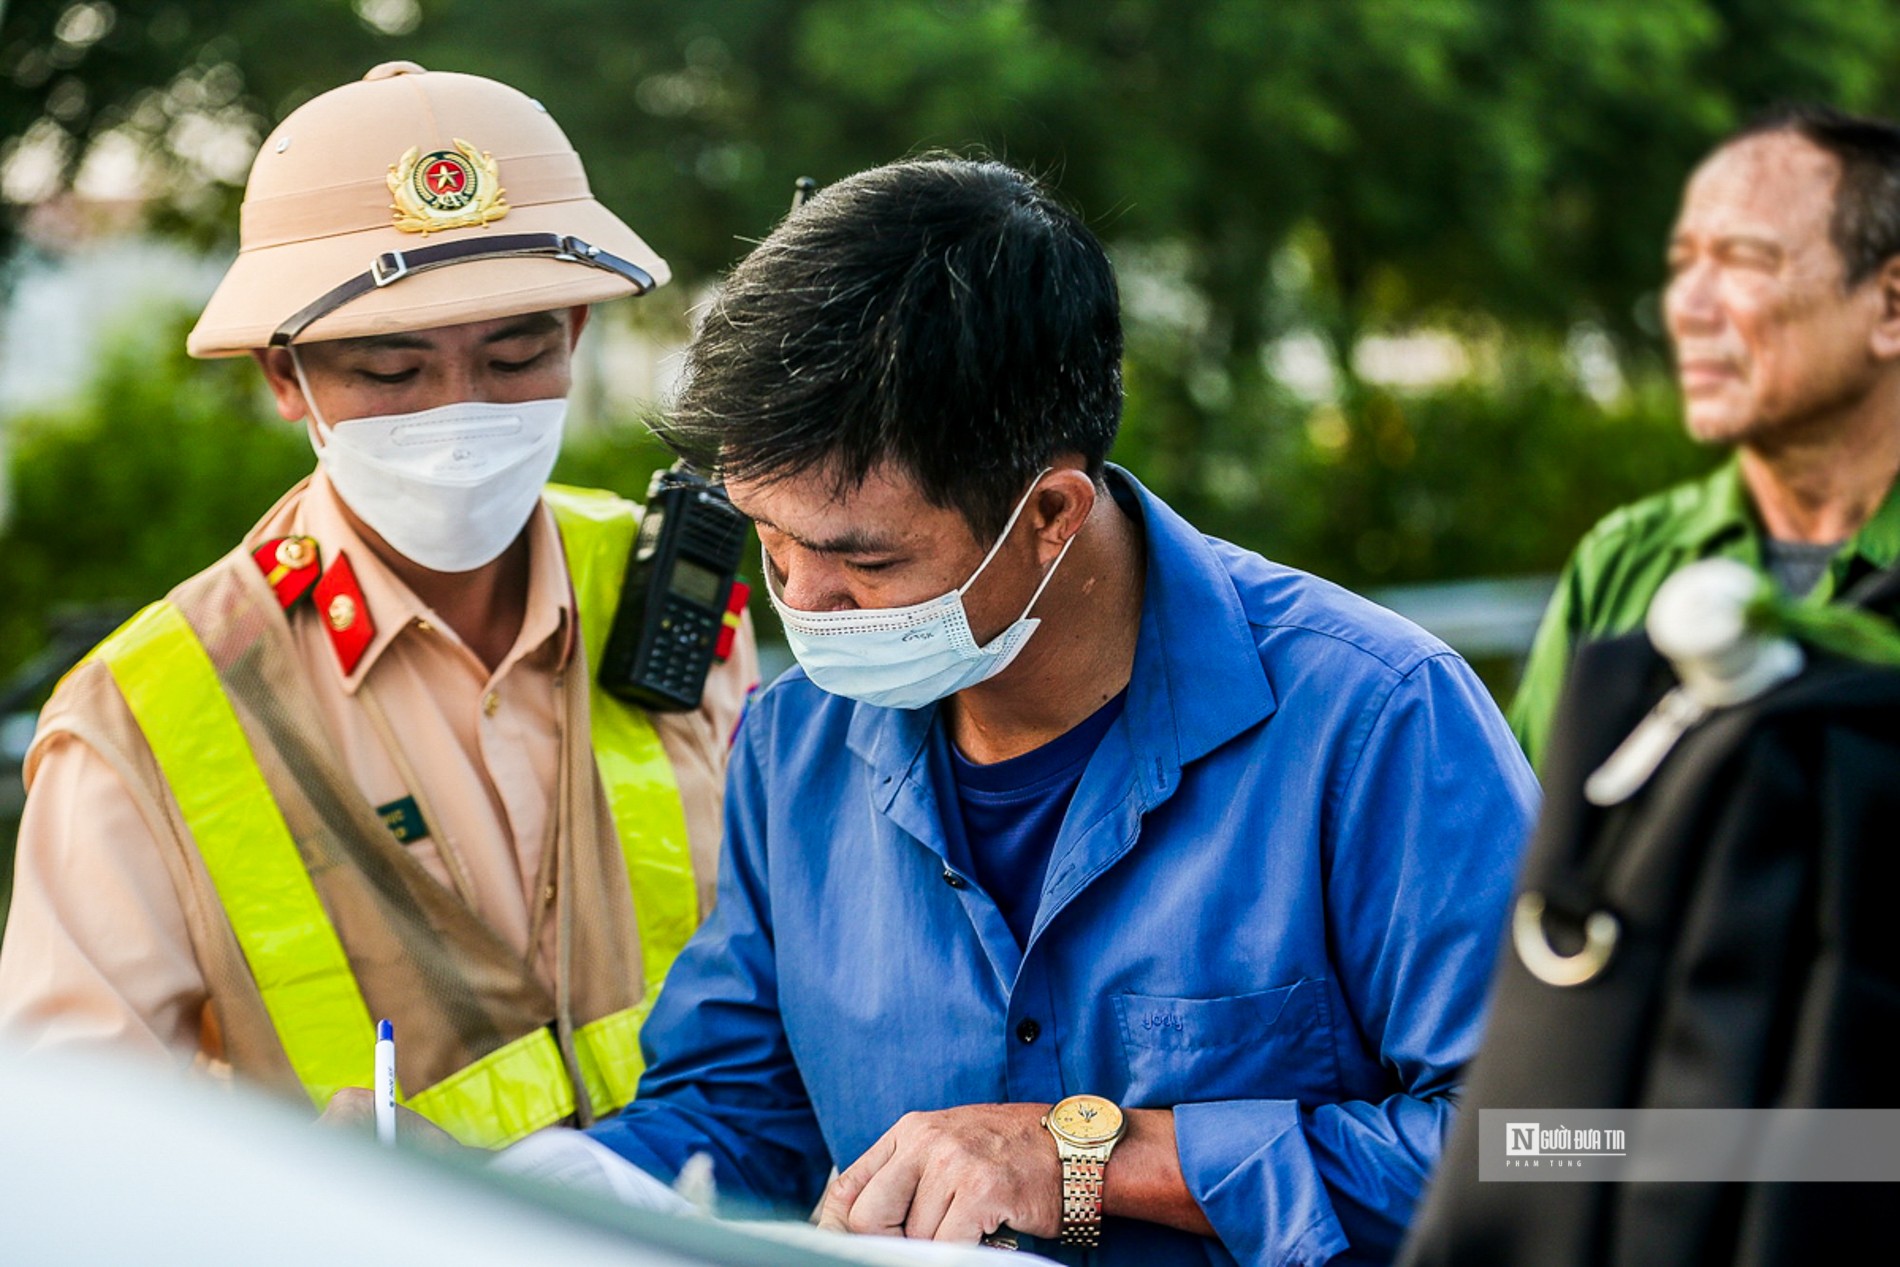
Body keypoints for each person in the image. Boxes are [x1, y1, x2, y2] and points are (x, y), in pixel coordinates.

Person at [582, 157, 1538, 1265]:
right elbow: (741, 1113)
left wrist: (1088, 1158)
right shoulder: (794, 745)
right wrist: (564, 1184)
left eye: (865, 561)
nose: (803, 601)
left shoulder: (1375, 722)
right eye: (771, 540)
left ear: (1048, 511)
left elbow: (1560, 1144)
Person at [0, 63, 757, 1148]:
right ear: (284, 378)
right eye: (392, 370)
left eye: (514, 353)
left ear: (577, 337)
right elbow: (82, 1162)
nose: (460, 411)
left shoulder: (667, 581)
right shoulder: (145, 719)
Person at [1511, 106, 1900, 770]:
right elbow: (1535, 851)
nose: (1686, 308)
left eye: (1743, 260)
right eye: (1683, 265)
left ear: (1890, 305)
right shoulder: (1623, 561)